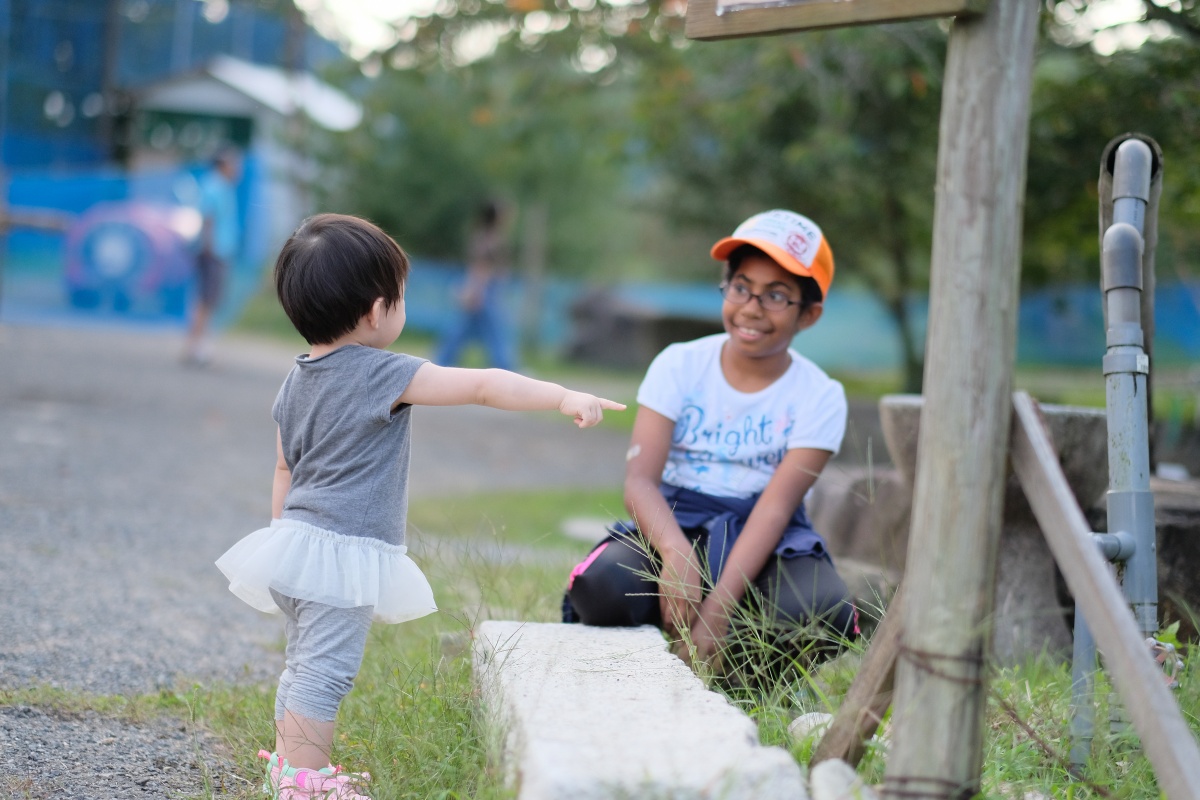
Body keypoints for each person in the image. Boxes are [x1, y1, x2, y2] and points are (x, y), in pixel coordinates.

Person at [215, 213, 624, 799]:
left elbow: (285, 466)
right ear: (377, 311)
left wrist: (287, 543)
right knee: (324, 672)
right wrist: (563, 395)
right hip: (340, 555)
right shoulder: (383, 373)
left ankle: (291, 765)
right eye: (400, 297)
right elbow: (482, 385)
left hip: (294, 546)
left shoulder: (296, 378)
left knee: (303, 663)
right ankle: (303, 783)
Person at [563, 209, 858, 684]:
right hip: (675, 520)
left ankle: (739, 683)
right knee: (603, 584)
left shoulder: (820, 395)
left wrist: (717, 613)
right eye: (741, 287)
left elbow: (775, 509)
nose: (752, 308)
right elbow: (640, 480)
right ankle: (640, 674)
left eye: (777, 296)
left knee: (824, 611)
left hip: (765, 536)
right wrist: (677, 556)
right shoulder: (680, 365)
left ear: (809, 314)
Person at [433, 200, 517, 371]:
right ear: (497, 216)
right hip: (485, 290)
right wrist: (474, 290)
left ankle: (442, 362)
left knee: (462, 329)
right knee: (495, 331)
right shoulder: (489, 239)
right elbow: (481, 267)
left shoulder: (484, 236)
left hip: (486, 289)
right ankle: (506, 368)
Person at [183, 147, 242, 366]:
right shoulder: (215, 186)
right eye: (233, 163)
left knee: (207, 299)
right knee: (206, 299)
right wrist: (209, 247)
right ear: (223, 164)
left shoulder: (220, 186)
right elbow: (208, 218)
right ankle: (197, 347)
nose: (237, 169)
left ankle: (197, 344)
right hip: (213, 251)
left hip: (217, 250)